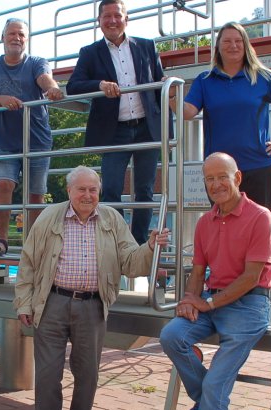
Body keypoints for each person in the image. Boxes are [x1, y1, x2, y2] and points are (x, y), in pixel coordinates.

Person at [14, 165, 170, 410]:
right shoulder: (50, 216)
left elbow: (131, 263)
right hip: (53, 303)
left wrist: (150, 247)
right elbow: (28, 263)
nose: (88, 195)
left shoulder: (110, 219)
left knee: (87, 378)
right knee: (48, 377)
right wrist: (24, 303)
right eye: (82, 189)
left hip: (92, 306)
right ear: (69, 191)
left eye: (93, 189)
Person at [159, 152, 271, 410]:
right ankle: (204, 402)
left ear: (237, 178)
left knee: (216, 385)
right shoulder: (204, 222)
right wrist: (189, 301)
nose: (216, 184)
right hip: (212, 300)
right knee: (171, 336)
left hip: (249, 305)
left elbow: (251, 277)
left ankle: (206, 400)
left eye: (222, 176)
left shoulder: (260, 216)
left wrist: (207, 303)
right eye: (209, 179)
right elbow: (198, 272)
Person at [66, 0, 168, 245]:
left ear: (126, 19)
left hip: (147, 127)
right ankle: (120, 242)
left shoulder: (146, 45)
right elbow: (73, 86)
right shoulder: (90, 52)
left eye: (117, 15)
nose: (112, 20)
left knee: (145, 191)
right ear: (99, 21)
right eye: (107, 16)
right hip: (114, 131)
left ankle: (140, 243)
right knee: (110, 189)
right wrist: (99, 85)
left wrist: (167, 81)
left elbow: (158, 78)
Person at [174, 22, 271, 211]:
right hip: (220, 173)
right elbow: (187, 112)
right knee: (223, 230)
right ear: (218, 47)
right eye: (227, 41)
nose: (233, 45)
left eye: (238, 41)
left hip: (259, 167)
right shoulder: (205, 80)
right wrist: (172, 96)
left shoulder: (262, 77)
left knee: (258, 229)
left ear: (246, 45)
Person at [0, 17, 65, 256]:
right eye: (12, 33)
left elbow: (44, 79)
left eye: (21, 35)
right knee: (3, 184)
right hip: (3, 141)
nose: (17, 38)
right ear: (3, 38)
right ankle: (2, 240)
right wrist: (1, 100)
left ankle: (33, 243)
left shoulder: (37, 62)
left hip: (37, 139)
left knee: (36, 192)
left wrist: (52, 88)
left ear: (26, 39)